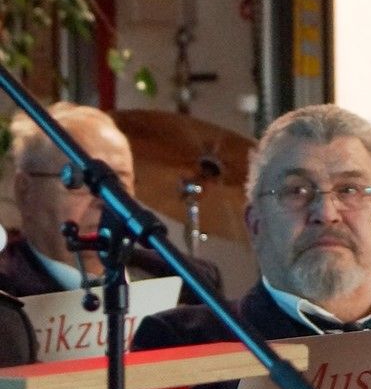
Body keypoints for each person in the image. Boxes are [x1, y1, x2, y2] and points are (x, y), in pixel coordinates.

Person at [131, 104, 371, 389]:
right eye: (296, 191)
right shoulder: (180, 345)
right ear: (255, 224)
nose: (326, 213)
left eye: (349, 189)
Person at [2, 102, 220, 302]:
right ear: (24, 191)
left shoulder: (188, 282)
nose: (104, 201)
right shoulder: (5, 292)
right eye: (82, 182)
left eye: (119, 184)